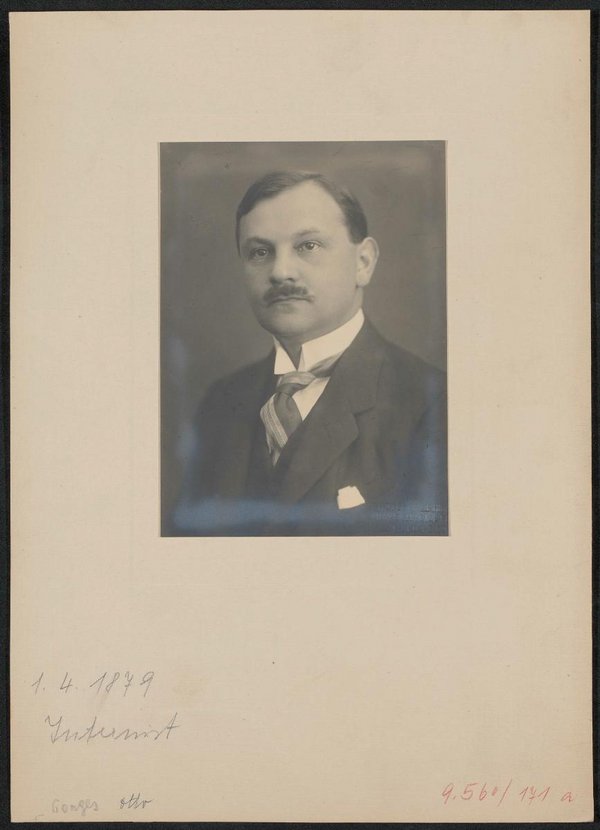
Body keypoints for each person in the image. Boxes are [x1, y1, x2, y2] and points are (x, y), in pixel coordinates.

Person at [170, 170, 447, 536]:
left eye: (308, 246)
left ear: (363, 262)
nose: (280, 272)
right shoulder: (220, 404)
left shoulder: (432, 403)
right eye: (260, 252)